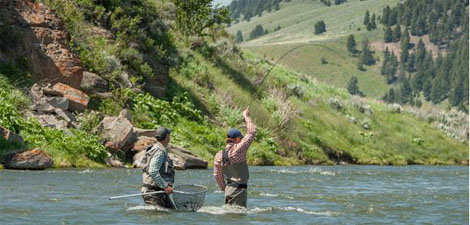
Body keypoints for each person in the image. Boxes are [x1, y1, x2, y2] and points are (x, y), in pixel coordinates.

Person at [213, 107, 256, 208]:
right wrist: (246, 116)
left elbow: (217, 175)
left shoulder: (219, 155)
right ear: (237, 139)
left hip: (228, 191)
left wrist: (225, 188)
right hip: (239, 191)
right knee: (238, 218)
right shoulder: (238, 149)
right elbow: (251, 133)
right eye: (240, 138)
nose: (241, 140)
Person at [141, 126, 175, 208]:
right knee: (158, 218)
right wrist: (165, 186)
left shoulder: (156, 148)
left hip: (159, 191)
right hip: (152, 193)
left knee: (172, 213)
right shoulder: (159, 152)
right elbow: (153, 171)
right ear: (167, 136)